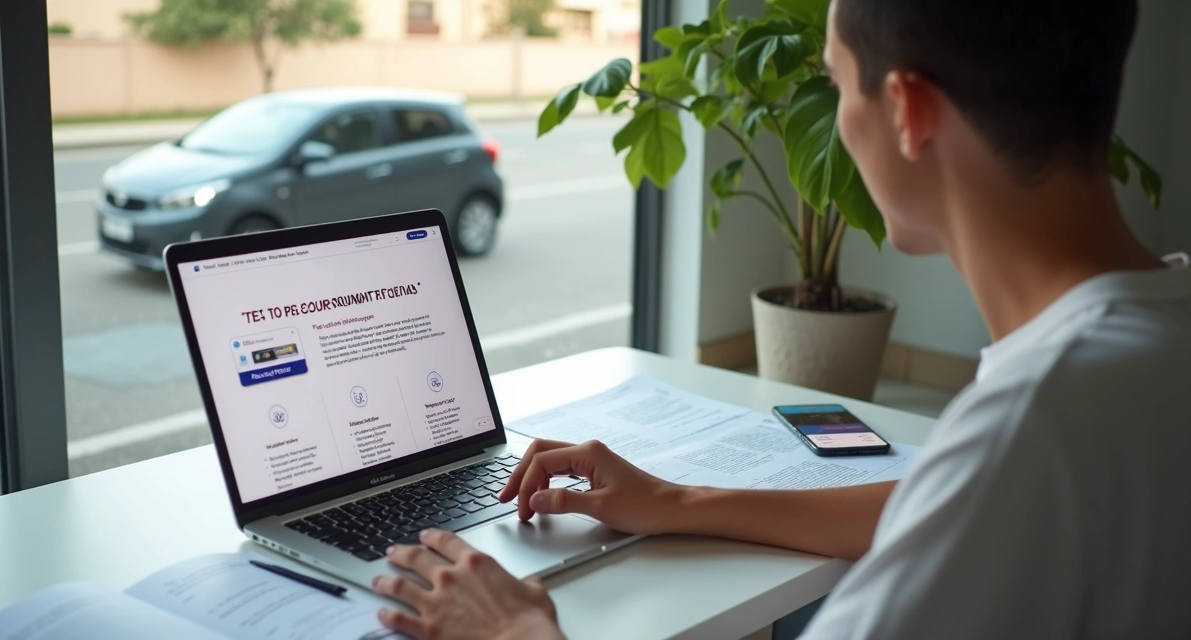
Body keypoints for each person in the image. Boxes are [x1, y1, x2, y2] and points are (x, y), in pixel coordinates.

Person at [369, 0, 1191, 637]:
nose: (835, 116)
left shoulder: (1032, 425)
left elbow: (990, 484)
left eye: (836, 84)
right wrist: (680, 500)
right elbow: (948, 502)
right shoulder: (1142, 346)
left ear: (909, 111)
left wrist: (519, 629)